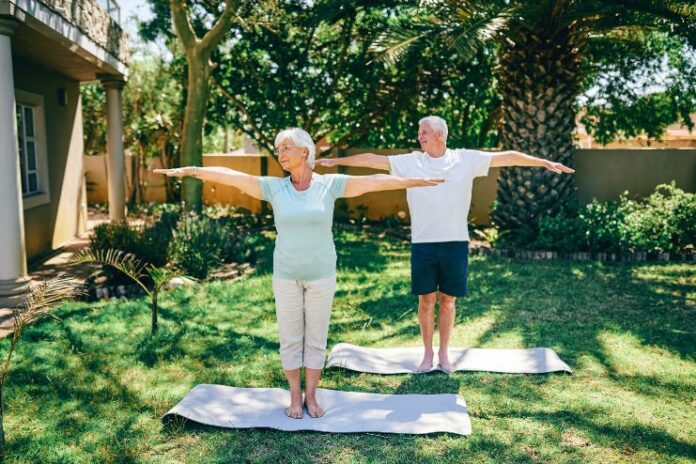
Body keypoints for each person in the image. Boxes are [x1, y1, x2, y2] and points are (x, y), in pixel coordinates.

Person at [155, 127, 443, 418]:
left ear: (305, 151)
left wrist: (414, 181)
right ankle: (295, 397)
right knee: (291, 337)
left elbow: (372, 182)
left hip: (321, 274)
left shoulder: (329, 185)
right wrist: (193, 169)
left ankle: (313, 396)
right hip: (286, 275)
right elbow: (231, 176)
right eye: (278, 148)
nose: (280, 153)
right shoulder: (274, 188)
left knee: (316, 337)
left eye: (286, 148)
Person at [315, 116, 574, 373]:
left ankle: (445, 354)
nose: (419, 135)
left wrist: (543, 163)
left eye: (424, 131)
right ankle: (427, 354)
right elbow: (373, 159)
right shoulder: (412, 161)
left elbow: (506, 156)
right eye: (419, 131)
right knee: (426, 300)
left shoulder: (464, 159)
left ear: (440, 134)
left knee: (448, 300)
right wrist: (336, 161)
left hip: (455, 243)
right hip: (424, 243)